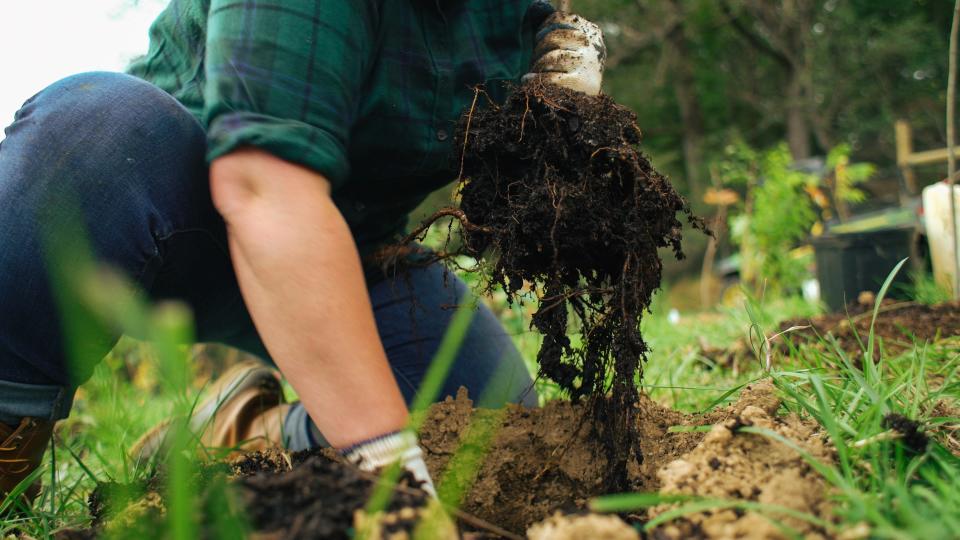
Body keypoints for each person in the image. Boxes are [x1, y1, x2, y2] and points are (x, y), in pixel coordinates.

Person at [0, 0, 605, 501]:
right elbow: (264, 186)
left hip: (352, 246)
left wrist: (547, 104)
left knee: (486, 422)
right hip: (164, 208)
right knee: (97, 132)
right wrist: (386, 464)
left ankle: (249, 431)